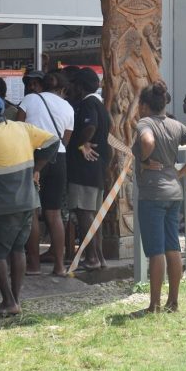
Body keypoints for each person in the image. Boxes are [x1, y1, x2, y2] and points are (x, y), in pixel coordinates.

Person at [0, 94, 57, 316]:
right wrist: (37, 169)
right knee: (17, 250)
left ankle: (8, 301)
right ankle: (15, 299)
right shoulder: (23, 129)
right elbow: (53, 141)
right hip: (27, 201)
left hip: (0, 205)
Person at [133, 82, 186, 315]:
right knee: (173, 247)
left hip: (152, 194)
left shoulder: (145, 123)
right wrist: (181, 171)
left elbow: (147, 141)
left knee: (156, 251)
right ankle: (173, 303)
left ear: (144, 106)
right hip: (174, 192)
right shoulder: (176, 125)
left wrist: (144, 160)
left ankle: (154, 305)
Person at [18, 70, 74, 276]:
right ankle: (59, 266)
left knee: (32, 210)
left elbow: (18, 128)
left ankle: (33, 264)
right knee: (54, 213)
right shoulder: (67, 106)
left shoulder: (30, 99)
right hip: (59, 157)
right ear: (62, 88)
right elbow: (65, 140)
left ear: (41, 85)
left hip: (33, 156)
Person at [66, 68, 110, 271]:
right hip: (97, 169)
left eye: (74, 84)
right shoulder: (99, 103)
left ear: (80, 86)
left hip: (85, 169)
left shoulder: (88, 103)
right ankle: (98, 257)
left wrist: (81, 143)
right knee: (92, 213)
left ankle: (91, 256)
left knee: (85, 213)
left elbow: (90, 126)